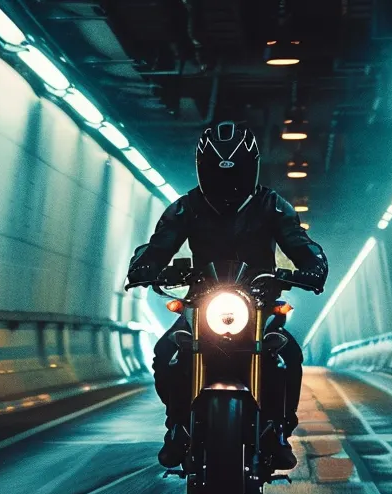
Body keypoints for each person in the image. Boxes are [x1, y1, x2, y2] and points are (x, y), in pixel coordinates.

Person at [125, 121, 329, 470]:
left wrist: (311, 267)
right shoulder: (186, 208)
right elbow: (159, 246)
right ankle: (177, 425)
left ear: (250, 168)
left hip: (260, 302)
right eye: (218, 172)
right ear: (203, 168)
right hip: (202, 301)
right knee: (165, 353)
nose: (226, 181)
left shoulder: (272, 206)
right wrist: (145, 266)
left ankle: (278, 429)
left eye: (234, 171)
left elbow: (300, 243)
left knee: (289, 354)